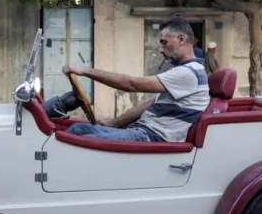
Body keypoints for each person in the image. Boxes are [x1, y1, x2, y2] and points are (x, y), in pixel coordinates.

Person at [61, 16, 211, 142]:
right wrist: (112, 123)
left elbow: (132, 84)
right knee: (77, 129)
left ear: (181, 39)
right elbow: (148, 104)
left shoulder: (189, 73)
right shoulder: (183, 72)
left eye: (164, 43)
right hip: (143, 131)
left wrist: (84, 70)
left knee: (80, 141)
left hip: (151, 137)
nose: (160, 49)